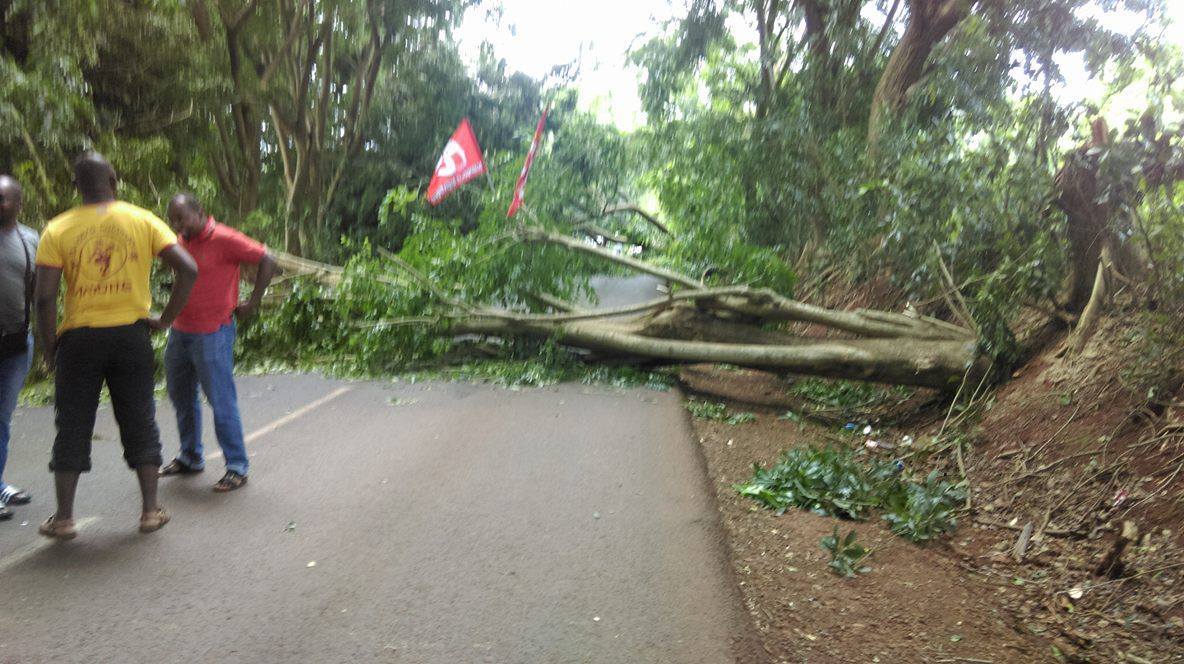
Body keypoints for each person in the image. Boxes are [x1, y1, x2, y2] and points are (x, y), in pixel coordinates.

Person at [34, 152, 197, 539]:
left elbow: (43, 297)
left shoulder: (58, 228)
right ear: (114, 180)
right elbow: (189, 269)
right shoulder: (142, 219)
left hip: (80, 338)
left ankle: (64, 519)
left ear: (75, 187)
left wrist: (48, 346)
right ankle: (149, 512)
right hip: (131, 335)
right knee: (140, 419)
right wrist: (166, 320)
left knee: (72, 424)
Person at [159, 193, 277, 492]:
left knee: (221, 401)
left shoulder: (225, 238)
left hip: (213, 333)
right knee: (181, 396)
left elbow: (267, 258)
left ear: (200, 212)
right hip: (180, 331)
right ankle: (190, 456)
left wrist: (253, 301)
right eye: (173, 219)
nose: (177, 225)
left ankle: (237, 467)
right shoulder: (181, 240)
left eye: (181, 218)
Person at [0, 175, 38, 522]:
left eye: (3, 199)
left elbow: (36, 290)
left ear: (18, 203)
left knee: (2, 419)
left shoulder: (30, 239)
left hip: (15, 342)